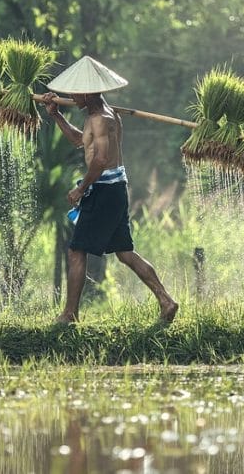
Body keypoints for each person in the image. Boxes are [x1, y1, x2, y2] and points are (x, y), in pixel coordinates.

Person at [40, 56, 179, 324]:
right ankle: (166, 301)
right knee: (125, 253)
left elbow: (101, 161)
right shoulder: (102, 115)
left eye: (75, 91)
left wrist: (81, 188)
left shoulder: (102, 119)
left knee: (76, 250)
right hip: (114, 188)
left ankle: (69, 315)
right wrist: (55, 115)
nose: (71, 95)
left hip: (104, 190)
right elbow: (81, 142)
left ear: (88, 92)